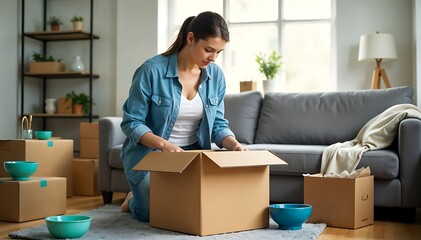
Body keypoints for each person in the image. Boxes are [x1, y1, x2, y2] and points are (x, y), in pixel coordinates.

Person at [119, 11, 246, 222]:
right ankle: (132, 200)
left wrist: (233, 144)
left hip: (192, 157)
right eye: (208, 50)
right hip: (150, 156)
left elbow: (218, 124)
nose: (213, 58)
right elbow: (132, 122)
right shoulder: (151, 70)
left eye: (219, 52)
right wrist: (164, 145)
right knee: (153, 213)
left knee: (199, 210)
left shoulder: (215, 76)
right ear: (190, 38)